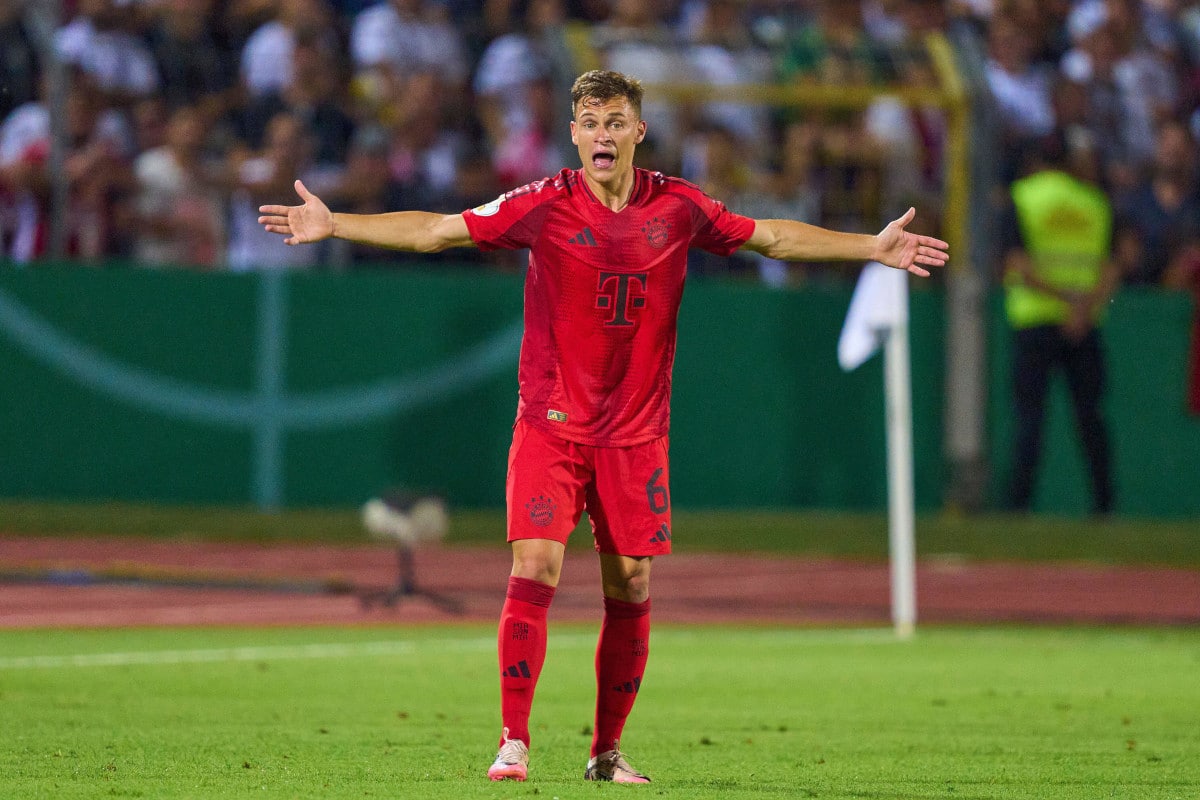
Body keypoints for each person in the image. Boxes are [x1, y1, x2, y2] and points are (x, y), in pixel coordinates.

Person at [258, 69, 947, 783]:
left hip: (636, 435)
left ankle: (606, 753)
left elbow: (770, 236)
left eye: (615, 121)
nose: (602, 135)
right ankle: (513, 740)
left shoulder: (677, 206)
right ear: (575, 134)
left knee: (632, 585)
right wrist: (335, 222)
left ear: (638, 132)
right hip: (551, 425)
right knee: (536, 565)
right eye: (589, 123)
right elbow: (438, 230)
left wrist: (871, 246)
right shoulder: (542, 204)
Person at [1001, 130, 1120, 516]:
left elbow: (1016, 264)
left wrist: (1060, 300)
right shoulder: (1095, 202)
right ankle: (1104, 507)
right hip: (1084, 324)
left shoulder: (1022, 197)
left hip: (1034, 318)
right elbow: (1111, 267)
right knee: (1091, 419)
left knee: (1030, 420)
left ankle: (1018, 507)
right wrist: (1082, 307)